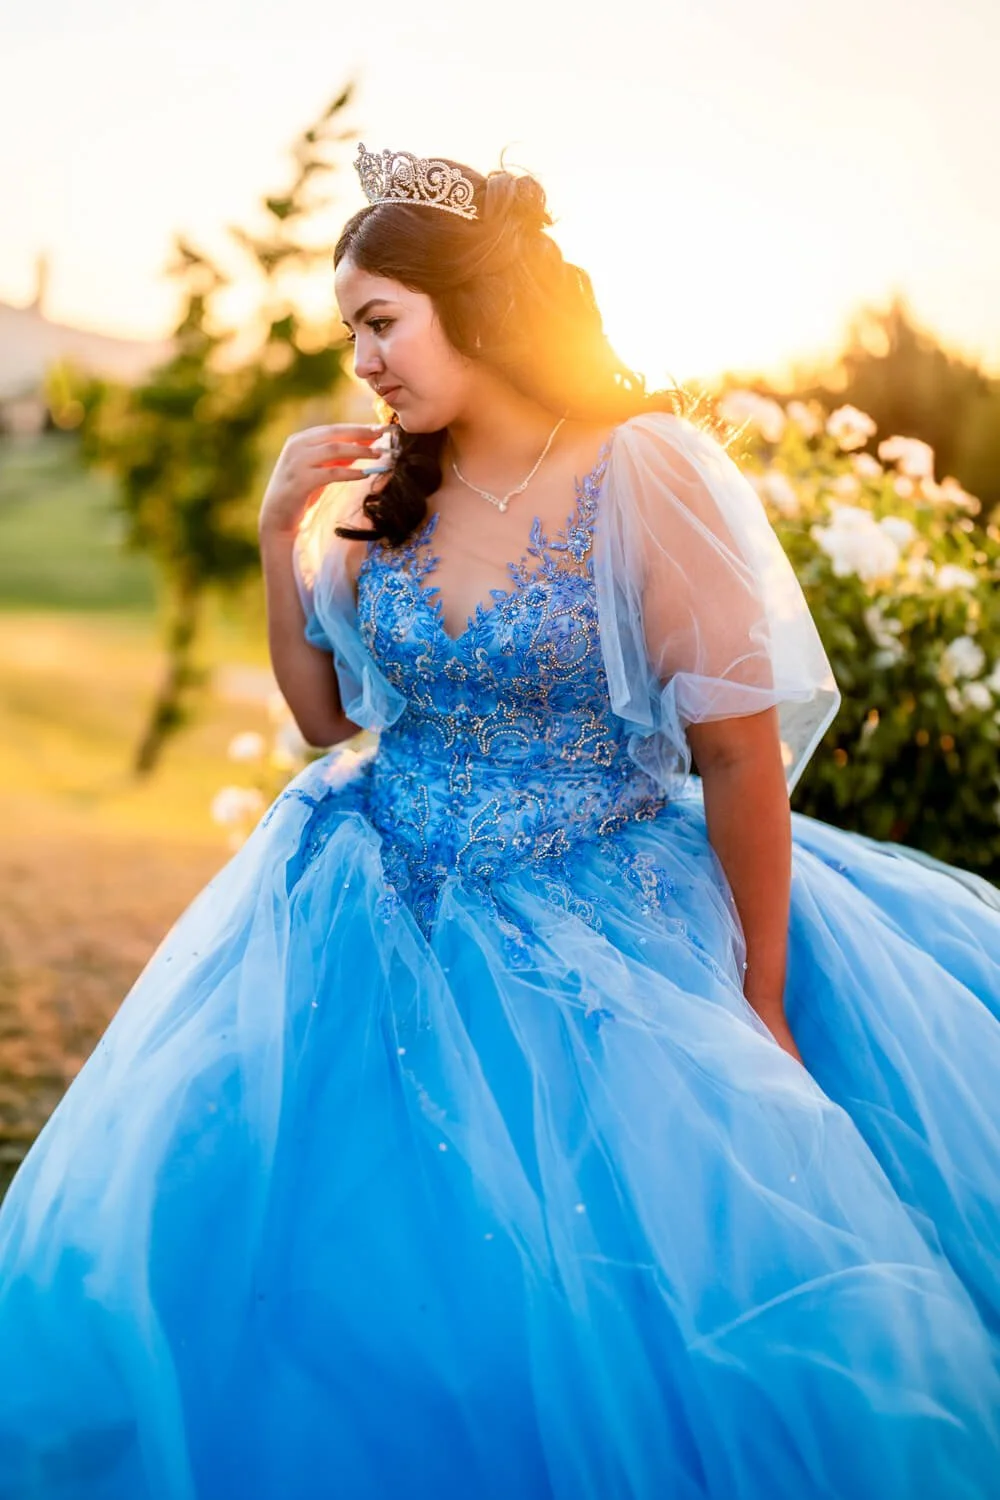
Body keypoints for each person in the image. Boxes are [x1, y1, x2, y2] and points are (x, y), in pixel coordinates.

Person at [0, 141, 998, 1500]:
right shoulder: (379, 496)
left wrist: (760, 993)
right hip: (369, 896)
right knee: (330, 1262)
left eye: (381, 322)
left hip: (601, 905)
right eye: (350, 332)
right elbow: (324, 719)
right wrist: (278, 529)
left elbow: (736, 752)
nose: (363, 361)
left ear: (472, 304)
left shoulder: (640, 470)